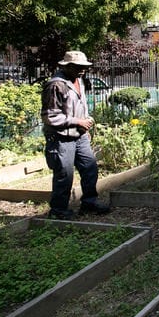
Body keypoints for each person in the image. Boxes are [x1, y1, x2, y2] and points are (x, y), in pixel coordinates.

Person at [41, 51, 110, 219]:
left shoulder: (78, 80)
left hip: (79, 136)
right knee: (64, 174)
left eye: (84, 67)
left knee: (90, 167)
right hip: (61, 138)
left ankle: (89, 203)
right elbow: (49, 116)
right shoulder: (56, 85)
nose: (83, 70)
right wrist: (77, 122)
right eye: (79, 67)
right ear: (67, 66)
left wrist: (85, 120)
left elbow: (79, 106)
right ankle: (58, 211)